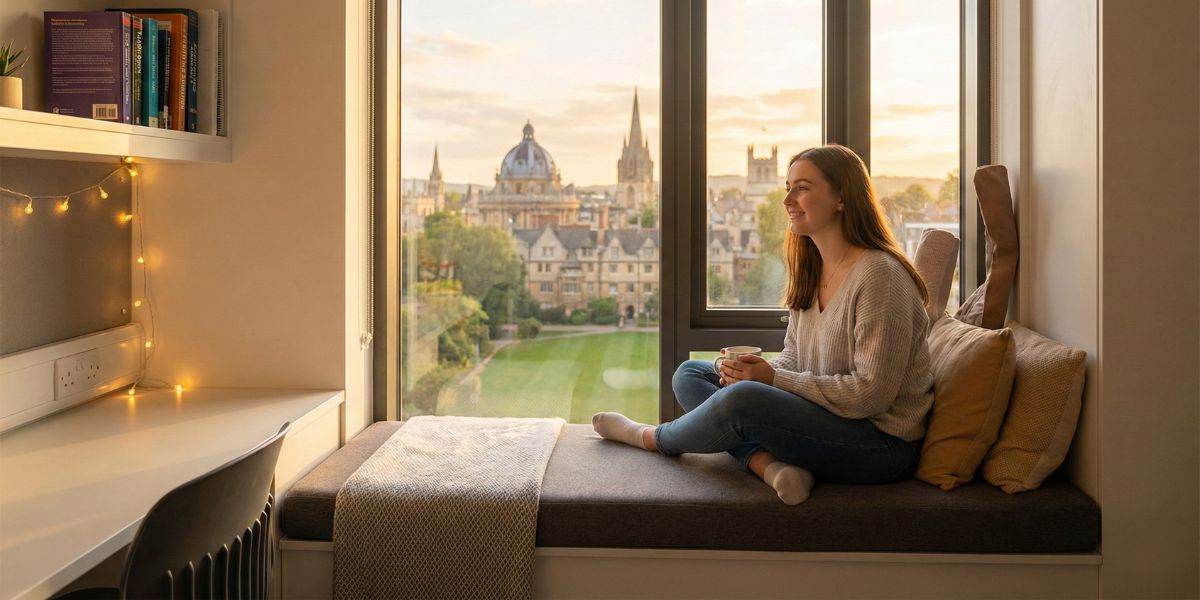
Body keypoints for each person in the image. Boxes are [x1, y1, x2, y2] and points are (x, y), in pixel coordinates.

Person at [592, 144, 933, 505]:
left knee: (742, 400)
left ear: (841, 197)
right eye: (788, 187)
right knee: (691, 374)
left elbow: (871, 395)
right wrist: (750, 370)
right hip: (829, 418)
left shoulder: (880, 276)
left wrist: (770, 380)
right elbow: (795, 357)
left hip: (880, 445)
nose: (787, 200)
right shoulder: (813, 268)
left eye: (802, 188)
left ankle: (649, 437)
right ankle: (769, 466)